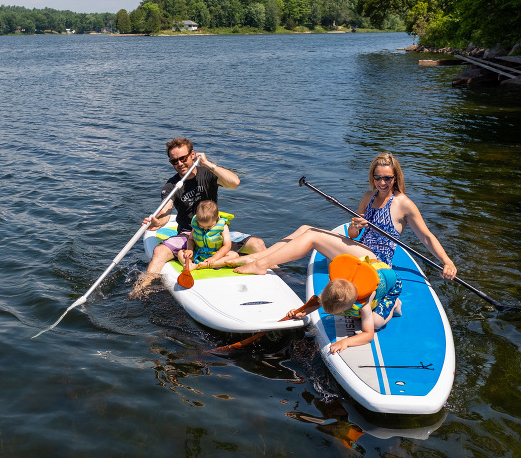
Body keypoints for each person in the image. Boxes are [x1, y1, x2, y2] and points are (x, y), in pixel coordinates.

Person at [232, 151, 457, 280]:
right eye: (378, 178)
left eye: (387, 178)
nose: (382, 182)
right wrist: (356, 225)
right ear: (373, 177)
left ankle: (262, 264)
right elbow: (352, 234)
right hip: (360, 248)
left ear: (395, 178)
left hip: (377, 261)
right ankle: (258, 258)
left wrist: (446, 262)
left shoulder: (404, 204)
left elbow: (426, 237)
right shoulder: (368, 196)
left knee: (312, 237)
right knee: (305, 228)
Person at [130, 138, 266, 297]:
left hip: (215, 231)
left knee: (258, 244)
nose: (179, 163)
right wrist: (157, 223)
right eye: (174, 161)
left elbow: (234, 182)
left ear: (192, 155)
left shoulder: (208, 173)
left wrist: (208, 164)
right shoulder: (171, 185)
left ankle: (281, 276)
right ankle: (140, 290)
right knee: (159, 251)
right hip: (189, 234)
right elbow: (165, 214)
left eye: (183, 158)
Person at [286, 254, 403, 354]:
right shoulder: (335, 289)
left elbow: (368, 335)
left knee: (376, 323)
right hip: (369, 272)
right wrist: (300, 312)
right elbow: (317, 302)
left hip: (392, 285)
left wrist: (346, 342)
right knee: (358, 318)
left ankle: (395, 304)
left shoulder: (364, 303)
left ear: (351, 305)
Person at [179, 200, 240, 270]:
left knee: (234, 255)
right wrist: (190, 250)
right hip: (198, 254)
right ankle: (189, 265)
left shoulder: (223, 226)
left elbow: (227, 246)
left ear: (217, 218)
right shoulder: (196, 224)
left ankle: (206, 265)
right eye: (201, 226)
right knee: (180, 253)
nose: (205, 228)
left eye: (209, 226)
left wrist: (214, 258)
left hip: (217, 255)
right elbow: (191, 239)